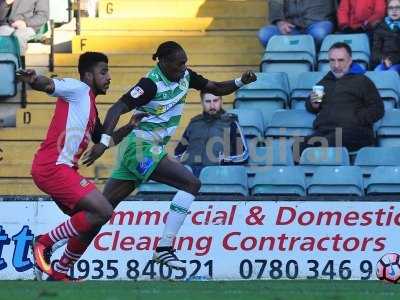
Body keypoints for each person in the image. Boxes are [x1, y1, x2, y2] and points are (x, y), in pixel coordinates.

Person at [82, 41, 257, 269]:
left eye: (185, 62)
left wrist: (241, 81)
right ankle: (165, 248)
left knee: (101, 211)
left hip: (144, 150)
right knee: (191, 183)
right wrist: (104, 141)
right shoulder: (149, 85)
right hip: (140, 148)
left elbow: (214, 87)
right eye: (179, 63)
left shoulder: (185, 76)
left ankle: (52, 245)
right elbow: (116, 108)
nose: (184, 67)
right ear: (163, 62)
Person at [17, 52, 146, 282]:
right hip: (53, 167)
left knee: (91, 222)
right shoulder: (77, 89)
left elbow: (102, 141)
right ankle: (44, 242)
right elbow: (49, 84)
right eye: (103, 71)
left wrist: (129, 126)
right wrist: (35, 79)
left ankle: (60, 273)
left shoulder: (90, 106)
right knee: (104, 210)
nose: (109, 77)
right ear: (88, 75)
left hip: (62, 169)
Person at [296, 42, 384, 161]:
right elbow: (311, 105)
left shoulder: (362, 81)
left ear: (350, 60)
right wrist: (312, 104)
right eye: (332, 60)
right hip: (326, 131)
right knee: (297, 147)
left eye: (341, 60)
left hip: (355, 132)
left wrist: (355, 119)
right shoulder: (325, 82)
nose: (336, 65)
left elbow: (378, 109)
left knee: (327, 144)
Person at [174, 92, 247, 177]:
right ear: (202, 102)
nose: (212, 106)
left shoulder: (230, 123)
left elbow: (244, 154)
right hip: (189, 177)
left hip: (217, 176)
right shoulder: (194, 123)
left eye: (215, 101)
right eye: (208, 101)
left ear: (221, 101)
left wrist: (224, 161)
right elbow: (178, 152)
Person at [258, 0, 336, 48]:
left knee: (319, 33)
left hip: (318, 23)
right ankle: (289, 61)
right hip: (291, 27)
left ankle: (313, 61)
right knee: (265, 34)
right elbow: (275, 2)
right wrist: (279, 21)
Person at [372, 0, 400, 72]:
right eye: (391, 8)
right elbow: (375, 52)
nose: (394, 10)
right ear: (387, 10)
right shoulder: (379, 27)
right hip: (386, 62)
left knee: (392, 71)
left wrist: (392, 61)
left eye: (397, 7)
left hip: (397, 62)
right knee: (377, 71)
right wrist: (383, 59)